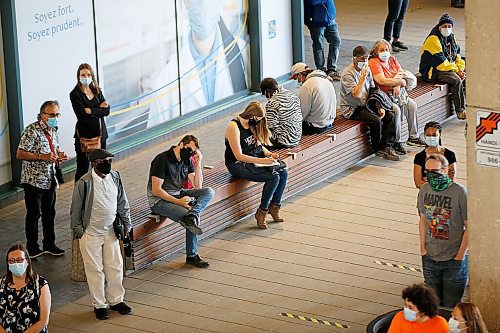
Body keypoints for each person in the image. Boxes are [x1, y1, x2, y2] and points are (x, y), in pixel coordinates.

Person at [146, 0, 249, 127]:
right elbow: (158, 145)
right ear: (184, 2)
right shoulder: (166, 81)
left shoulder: (245, 57)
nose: (203, 3)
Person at [70, 149, 132, 320]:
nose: (109, 164)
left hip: (110, 231)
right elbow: (75, 210)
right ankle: (99, 305)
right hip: (90, 234)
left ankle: (116, 300)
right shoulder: (84, 183)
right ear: (94, 164)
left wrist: (127, 222)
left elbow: (122, 202)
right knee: (95, 270)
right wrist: (79, 231)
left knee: (115, 267)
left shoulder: (115, 177)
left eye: (110, 160)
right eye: (104, 161)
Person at [148, 135, 214, 268]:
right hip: (159, 201)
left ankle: (192, 214)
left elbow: (197, 186)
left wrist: (198, 163)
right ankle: (192, 256)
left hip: (178, 194)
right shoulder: (162, 160)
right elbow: (156, 190)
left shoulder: (187, 160)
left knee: (209, 192)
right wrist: (178, 202)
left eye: (193, 152)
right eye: (189, 149)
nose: (191, 153)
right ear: (181, 144)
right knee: (188, 217)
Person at [224, 102, 288, 229]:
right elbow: (238, 156)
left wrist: (269, 154)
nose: (258, 123)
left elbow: (259, 145)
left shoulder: (252, 125)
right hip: (238, 163)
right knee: (273, 177)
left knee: (283, 171)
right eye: (258, 120)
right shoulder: (234, 126)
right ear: (251, 115)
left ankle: (275, 206)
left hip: (255, 159)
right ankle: (262, 211)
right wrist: (263, 162)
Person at [16, 100, 67, 258]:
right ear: (42, 115)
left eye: (57, 114)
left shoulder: (54, 129)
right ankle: (32, 247)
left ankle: (49, 244)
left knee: (49, 212)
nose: (55, 117)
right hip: (33, 180)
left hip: (49, 178)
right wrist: (41, 157)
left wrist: (59, 156)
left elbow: (53, 149)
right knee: (34, 213)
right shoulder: (32, 130)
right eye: (51, 114)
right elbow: (20, 153)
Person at [418, 154, 468, 308]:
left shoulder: (460, 193)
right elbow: (423, 220)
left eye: (435, 171)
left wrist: (460, 255)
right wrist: (423, 249)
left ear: (445, 170)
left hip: (454, 260)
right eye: (427, 171)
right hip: (430, 257)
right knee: (432, 306)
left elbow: (470, 226)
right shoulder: (424, 190)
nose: (431, 175)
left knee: (450, 307)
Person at [340, 46, 399, 161]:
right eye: (362, 59)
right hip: (353, 108)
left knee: (390, 114)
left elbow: (373, 89)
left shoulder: (367, 68)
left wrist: (379, 105)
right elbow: (356, 94)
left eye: (366, 58)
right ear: (354, 59)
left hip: (367, 103)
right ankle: (377, 148)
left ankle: (387, 146)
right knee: (375, 120)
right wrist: (362, 77)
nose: (365, 61)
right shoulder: (348, 74)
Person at [369, 39, 426, 154]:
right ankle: (397, 141)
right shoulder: (373, 62)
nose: (385, 52)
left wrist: (397, 84)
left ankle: (413, 137)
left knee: (412, 106)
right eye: (382, 50)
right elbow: (381, 80)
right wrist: (398, 82)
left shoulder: (392, 59)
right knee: (396, 111)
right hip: (384, 97)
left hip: (398, 93)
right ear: (376, 51)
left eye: (387, 49)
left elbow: (401, 71)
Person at [419, 14, 466, 120]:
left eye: (449, 26)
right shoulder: (433, 39)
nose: (447, 29)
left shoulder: (452, 38)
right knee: (456, 80)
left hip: (447, 67)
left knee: (466, 73)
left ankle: (470, 106)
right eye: (444, 26)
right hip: (432, 70)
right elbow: (441, 64)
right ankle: (460, 110)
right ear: (439, 26)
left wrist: (460, 69)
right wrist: (456, 71)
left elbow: (457, 56)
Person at [70, 63, 111, 181]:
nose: (86, 77)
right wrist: (99, 109)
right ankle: (80, 195)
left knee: (102, 166)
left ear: (92, 76)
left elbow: (107, 111)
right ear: (78, 76)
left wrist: (90, 110)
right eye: (83, 75)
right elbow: (81, 115)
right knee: (82, 168)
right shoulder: (75, 94)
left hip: (101, 135)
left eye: (88, 74)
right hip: (84, 138)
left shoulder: (96, 90)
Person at [0, 244, 51, 333]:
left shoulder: (40, 284)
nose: (15, 263)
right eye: (11, 261)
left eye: (19, 260)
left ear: (27, 261)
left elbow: (44, 320)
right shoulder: (1, 285)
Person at [290, 62, 336, 135]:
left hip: (316, 127)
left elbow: (302, 113)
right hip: (330, 122)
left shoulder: (307, 85)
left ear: (299, 75)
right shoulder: (325, 79)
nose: (298, 81)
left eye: (296, 78)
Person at [303, 0, 342, 80]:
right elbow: (313, 1)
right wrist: (309, 23)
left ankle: (332, 70)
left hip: (330, 21)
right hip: (317, 23)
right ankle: (321, 70)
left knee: (336, 41)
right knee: (318, 46)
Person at [260, 77, 302, 148]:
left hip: (284, 141)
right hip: (296, 137)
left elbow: (271, 126)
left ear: (267, 91)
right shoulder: (291, 94)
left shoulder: (272, 103)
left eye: (264, 94)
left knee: (258, 140)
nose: (266, 97)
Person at [413, 121, 457, 188]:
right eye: (428, 135)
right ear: (424, 135)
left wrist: (428, 181)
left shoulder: (450, 154)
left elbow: (451, 178)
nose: (431, 137)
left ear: (439, 135)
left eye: (434, 135)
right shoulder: (419, 157)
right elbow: (418, 183)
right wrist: (441, 181)